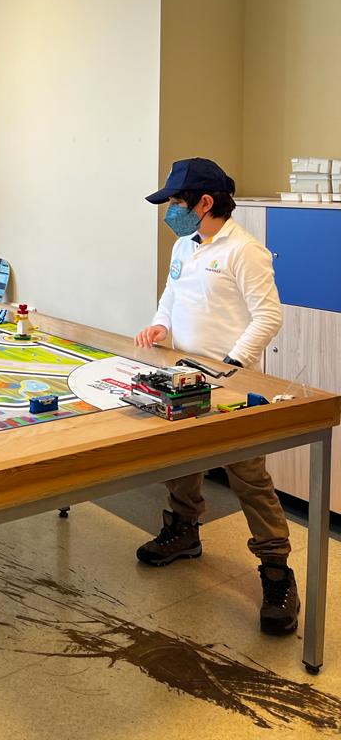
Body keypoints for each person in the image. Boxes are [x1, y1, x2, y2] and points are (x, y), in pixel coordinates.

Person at [134, 157, 297, 635]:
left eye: (176, 202)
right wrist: (160, 324)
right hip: (184, 376)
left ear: (204, 202)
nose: (170, 211)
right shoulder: (185, 245)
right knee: (181, 459)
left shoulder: (245, 251)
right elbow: (171, 296)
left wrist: (231, 364)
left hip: (232, 384)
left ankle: (276, 572)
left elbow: (269, 316)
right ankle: (184, 531)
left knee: (249, 477)